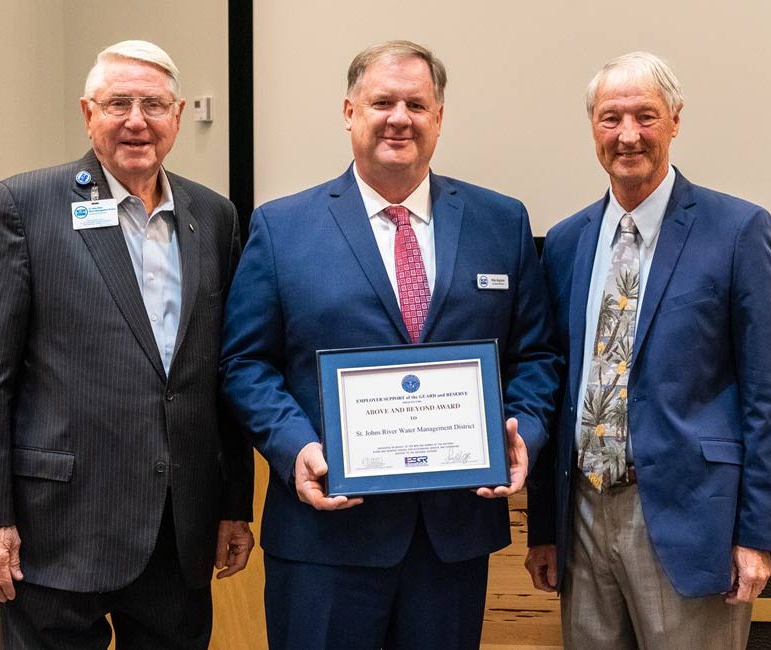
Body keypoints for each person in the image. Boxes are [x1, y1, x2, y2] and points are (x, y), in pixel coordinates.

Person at [220, 40, 560, 649]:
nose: (399, 118)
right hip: (325, 536)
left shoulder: (500, 221)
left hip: (450, 539)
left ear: (439, 118)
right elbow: (246, 364)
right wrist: (294, 446)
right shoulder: (282, 227)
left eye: (416, 104)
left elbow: (536, 356)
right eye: (382, 102)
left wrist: (522, 435)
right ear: (349, 111)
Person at [0, 40, 254, 649]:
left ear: (178, 114)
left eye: (153, 105)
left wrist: (233, 502)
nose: (136, 120)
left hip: (179, 529)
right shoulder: (24, 206)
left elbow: (223, 371)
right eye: (118, 103)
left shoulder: (214, 217)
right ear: (88, 114)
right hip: (56, 532)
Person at [524, 51, 771, 648]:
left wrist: (758, 534)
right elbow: (558, 383)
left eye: (644, 116)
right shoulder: (567, 241)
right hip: (584, 517)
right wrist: (545, 527)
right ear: (592, 126)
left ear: (675, 120)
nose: (627, 135)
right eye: (609, 117)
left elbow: (769, 398)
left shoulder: (738, 230)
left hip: (691, 519)